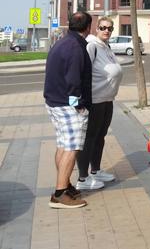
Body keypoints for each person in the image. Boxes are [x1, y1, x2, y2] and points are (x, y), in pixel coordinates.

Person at [43, 11, 92, 209]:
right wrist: (78, 105)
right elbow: (73, 81)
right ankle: (60, 193)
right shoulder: (75, 47)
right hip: (67, 105)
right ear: (88, 27)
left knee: (63, 144)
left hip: (55, 102)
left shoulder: (63, 42)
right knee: (72, 147)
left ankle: (65, 185)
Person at [76, 17, 123, 190]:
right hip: (94, 101)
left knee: (99, 137)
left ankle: (95, 170)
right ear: (96, 28)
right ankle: (83, 178)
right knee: (89, 138)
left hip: (107, 100)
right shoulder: (92, 45)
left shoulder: (106, 47)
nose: (107, 31)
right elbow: (82, 71)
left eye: (110, 28)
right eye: (103, 27)